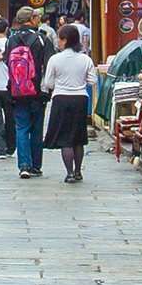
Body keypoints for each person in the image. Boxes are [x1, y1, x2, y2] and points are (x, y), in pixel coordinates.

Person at [41, 24, 98, 181]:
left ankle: (70, 173)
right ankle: (78, 171)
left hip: (61, 99)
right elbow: (93, 80)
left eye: (59, 39)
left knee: (65, 137)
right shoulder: (85, 59)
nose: (58, 42)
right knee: (78, 137)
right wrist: (80, 82)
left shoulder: (55, 59)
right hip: (80, 99)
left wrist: (61, 83)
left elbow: (48, 83)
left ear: (65, 40)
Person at [5, 18, 50, 176]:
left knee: (21, 127)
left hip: (17, 90)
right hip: (37, 91)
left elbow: (7, 63)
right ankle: (35, 166)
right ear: (31, 20)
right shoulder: (42, 39)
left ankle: (24, 165)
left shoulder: (11, 40)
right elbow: (48, 65)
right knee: (36, 129)